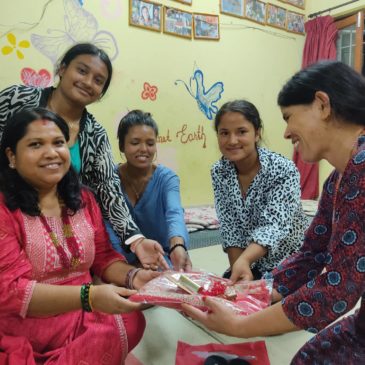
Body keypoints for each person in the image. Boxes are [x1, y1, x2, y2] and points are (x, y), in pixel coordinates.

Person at [182, 61, 365, 364]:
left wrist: (240, 325)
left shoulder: (359, 167)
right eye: (224, 133)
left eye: (289, 117)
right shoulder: (338, 179)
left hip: (283, 259)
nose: (286, 132)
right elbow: (312, 254)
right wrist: (251, 291)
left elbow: (338, 287)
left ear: (322, 105)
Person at [0, 107, 161, 364]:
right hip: (27, 324)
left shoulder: (83, 198)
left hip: (83, 313)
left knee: (131, 319)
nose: (51, 153)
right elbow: (10, 292)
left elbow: (103, 256)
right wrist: (90, 297)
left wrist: (135, 276)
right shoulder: (4, 209)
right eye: (35, 144)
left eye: (58, 143)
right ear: (12, 155)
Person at [0, 42, 169, 271]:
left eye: (99, 80)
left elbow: (109, 189)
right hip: (9, 218)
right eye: (82, 70)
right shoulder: (18, 98)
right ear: (62, 68)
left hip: (60, 229)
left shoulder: (95, 134)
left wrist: (135, 238)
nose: (88, 82)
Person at [211, 99, 309, 282]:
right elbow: (230, 226)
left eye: (241, 132)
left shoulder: (283, 169)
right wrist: (238, 270)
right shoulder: (219, 171)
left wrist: (245, 260)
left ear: (257, 133)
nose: (232, 141)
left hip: (292, 259)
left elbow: (274, 226)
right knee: (226, 297)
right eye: (224, 133)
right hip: (253, 262)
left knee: (271, 305)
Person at [106, 110, 192, 272]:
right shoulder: (108, 180)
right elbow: (108, 228)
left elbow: (174, 213)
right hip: (119, 262)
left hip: (161, 259)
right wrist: (125, 267)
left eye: (150, 143)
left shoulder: (167, 179)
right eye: (135, 142)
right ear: (121, 146)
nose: (144, 149)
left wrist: (178, 245)